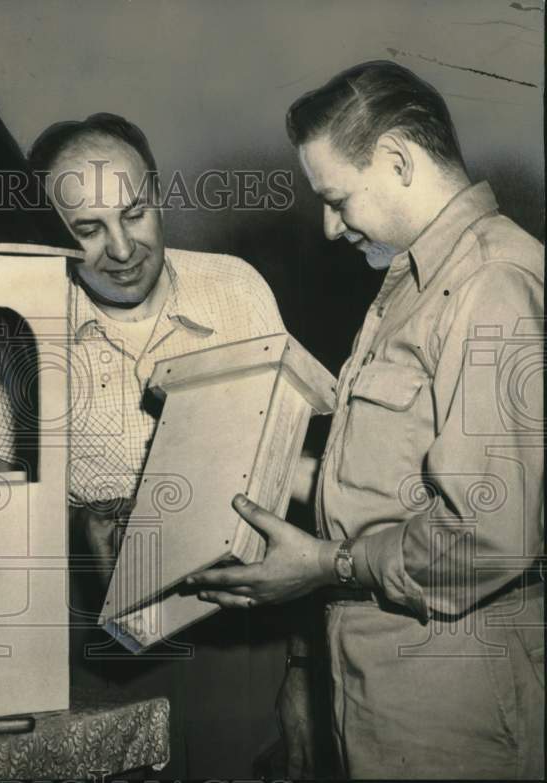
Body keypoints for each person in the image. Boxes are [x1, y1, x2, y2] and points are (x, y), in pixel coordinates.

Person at [188, 60, 545, 780]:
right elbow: (393, 480)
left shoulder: (492, 283)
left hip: (456, 696)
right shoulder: (411, 285)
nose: (328, 226)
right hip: (386, 685)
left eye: (338, 198)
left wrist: (324, 564)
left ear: (399, 160)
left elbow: (489, 532)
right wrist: (254, 475)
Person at [0, 113, 291, 777]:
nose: (121, 247)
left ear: (158, 193)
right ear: (52, 235)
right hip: (93, 648)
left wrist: (304, 673)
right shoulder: (20, 324)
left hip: (238, 641)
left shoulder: (238, 289)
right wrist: (77, 524)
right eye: (87, 230)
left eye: (134, 213)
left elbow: (294, 481)